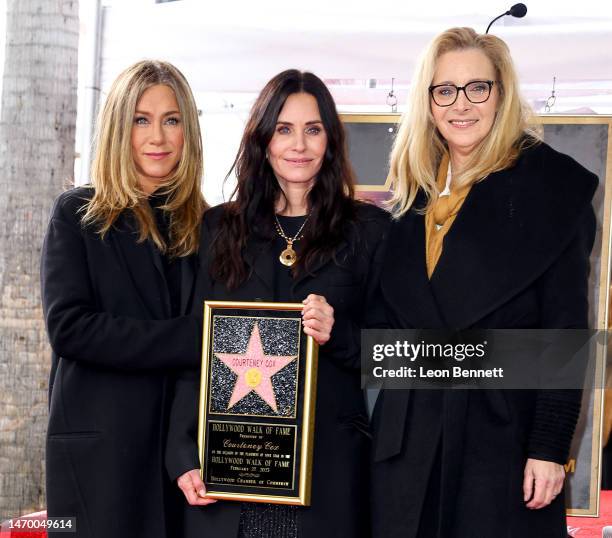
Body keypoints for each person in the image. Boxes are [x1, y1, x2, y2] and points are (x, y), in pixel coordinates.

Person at [370, 27, 597, 538]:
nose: (461, 104)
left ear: (502, 93)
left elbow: (564, 336)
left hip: (501, 442)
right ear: (427, 102)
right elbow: (386, 333)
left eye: (478, 87)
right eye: (444, 90)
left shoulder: (554, 192)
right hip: (407, 446)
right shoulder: (410, 198)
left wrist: (548, 447)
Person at [166, 69, 389, 538]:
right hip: (229, 477)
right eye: (284, 129)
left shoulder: (368, 230)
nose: (299, 145)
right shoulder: (219, 229)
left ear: (330, 139)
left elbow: (392, 353)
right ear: (263, 138)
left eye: (313, 129)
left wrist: (340, 333)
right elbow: (195, 348)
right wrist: (182, 451)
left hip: (327, 475)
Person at [41, 60, 206, 538]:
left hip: (182, 459)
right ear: (119, 126)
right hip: (101, 455)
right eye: (141, 119)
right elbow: (70, 328)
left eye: (171, 120)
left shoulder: (207, 226)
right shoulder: (78, 213)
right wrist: (194, 337)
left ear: (187, 131)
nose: (158, 136)